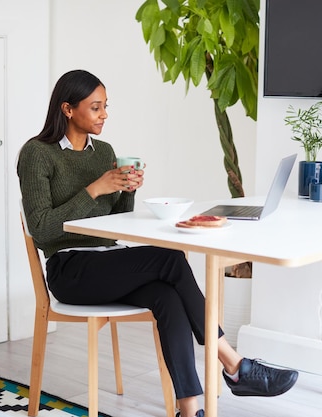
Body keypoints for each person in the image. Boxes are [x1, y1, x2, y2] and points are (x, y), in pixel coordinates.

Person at [17, 69, 298, 417]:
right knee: (170, 258)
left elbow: (114, 221)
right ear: (68, 109)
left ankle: (188, 409)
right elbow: (42, 228)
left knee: (167, 297)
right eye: (96, 107)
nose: (104, 114)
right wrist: (95, 189)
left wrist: (126, 190)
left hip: (109, 261)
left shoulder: (104, 152)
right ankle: (235, 364)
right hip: (70, 270)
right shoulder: (37, 153)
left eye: (106, 106)